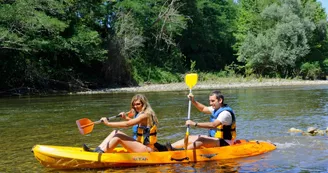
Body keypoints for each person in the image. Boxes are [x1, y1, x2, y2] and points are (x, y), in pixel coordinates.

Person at [83, 94, 167, 153]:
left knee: (118, 137)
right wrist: (126, 118)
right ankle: (98, 150)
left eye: (138, 104)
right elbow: (136, 123)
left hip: (147, 149)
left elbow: (128, 124)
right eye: (134, 105)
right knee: (115, 132)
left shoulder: (145, 115)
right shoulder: (141, 114)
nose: (135, 106)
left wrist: (108, 123)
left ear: (144, 104)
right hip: (139, 145)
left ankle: (101, 153)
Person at [167, 90, 236, 150]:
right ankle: (168, 148)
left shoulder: (225, 114)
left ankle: (182, 151)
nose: (210, 103)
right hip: (216, 139)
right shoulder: (215, 108)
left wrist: (195, 124)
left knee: (201, 140)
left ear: (220, 100)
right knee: (191, 138)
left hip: (226, 142)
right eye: (210, 101)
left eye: (213, 101)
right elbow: (203, 109)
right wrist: (193, 101)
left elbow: (213, 125)